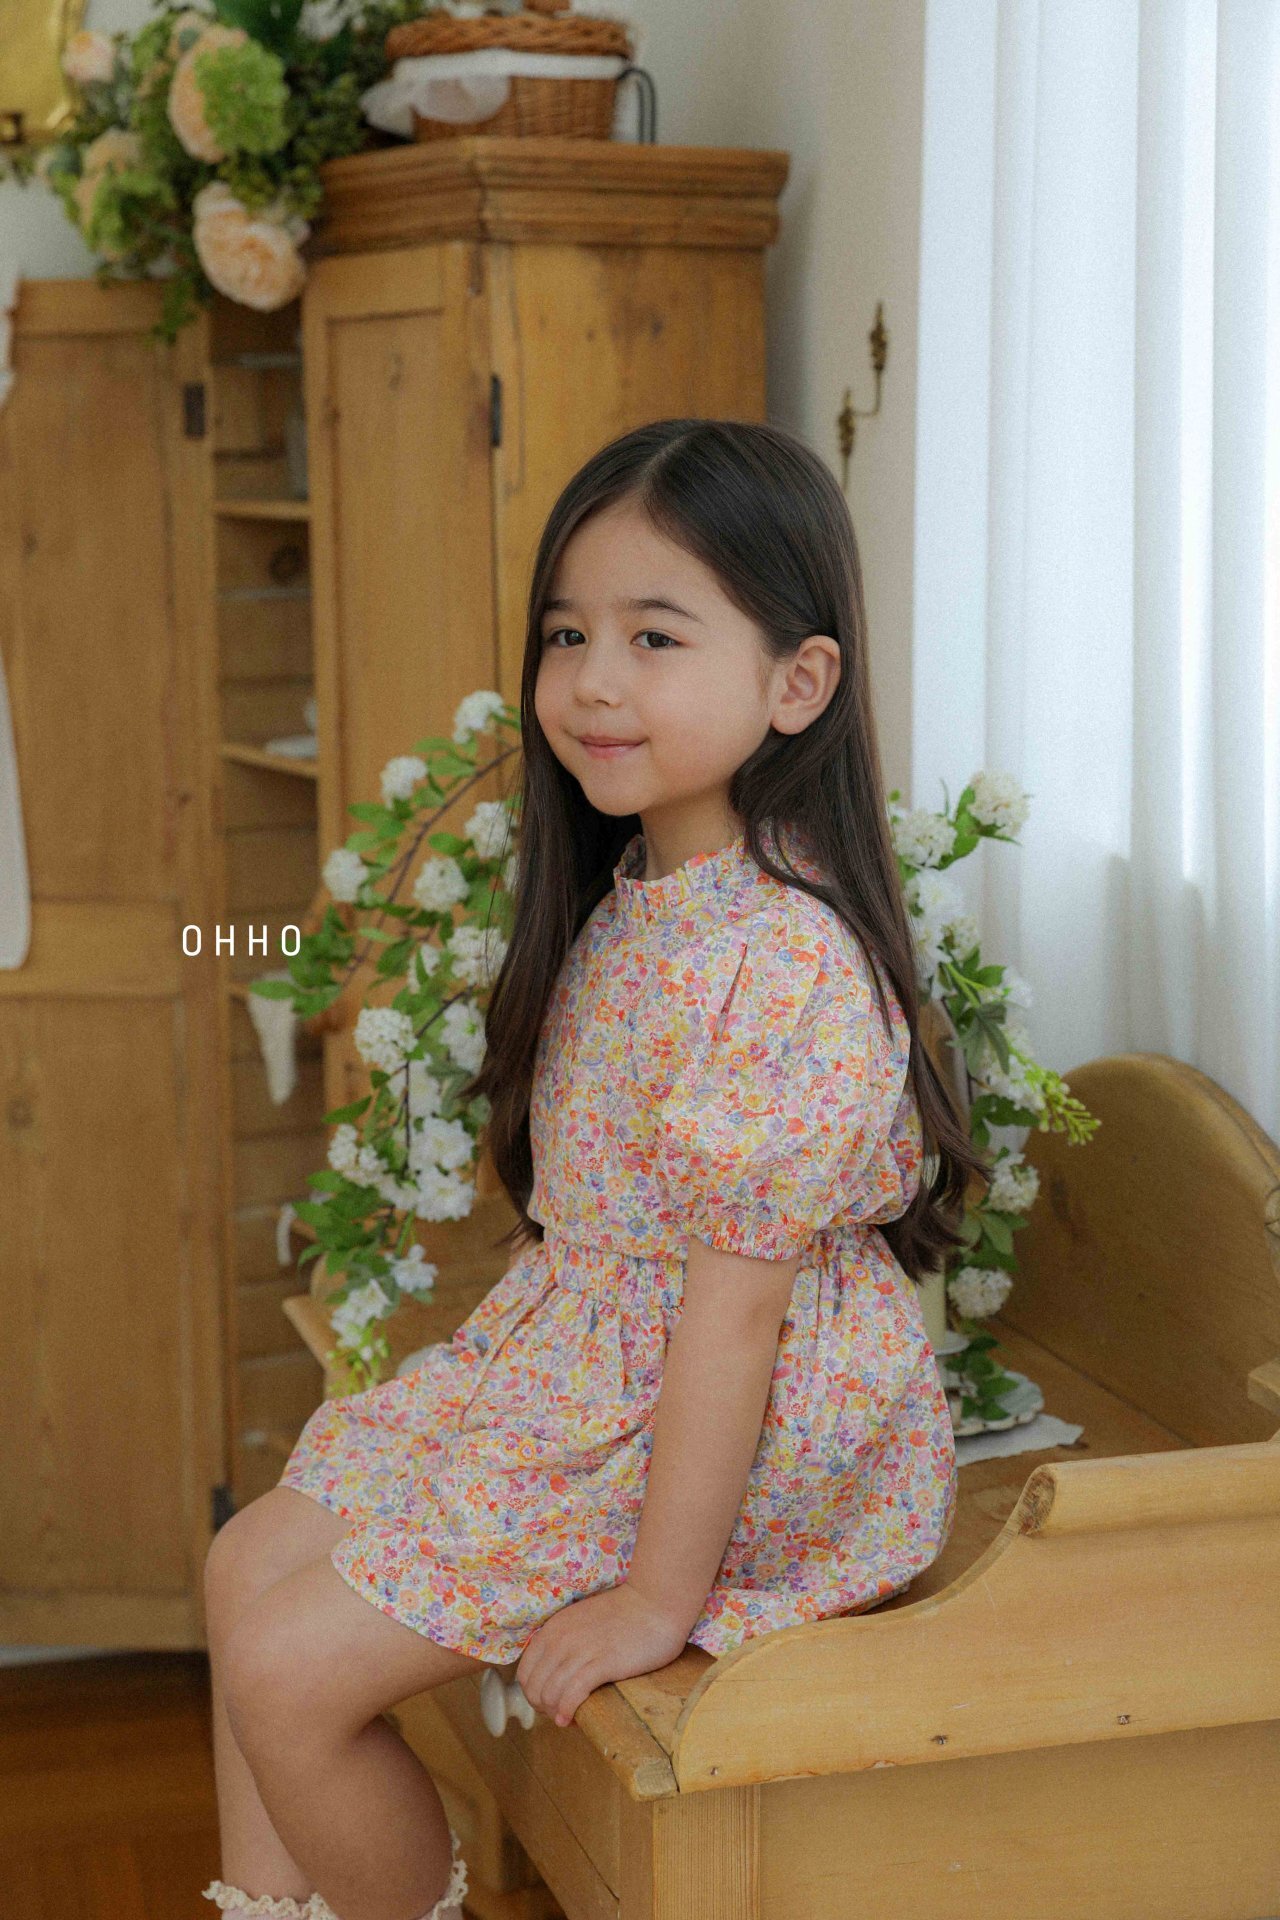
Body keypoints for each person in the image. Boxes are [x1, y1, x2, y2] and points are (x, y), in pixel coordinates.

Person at [201, 418, 988, 1920]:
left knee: (291, 1671)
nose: (594, 680)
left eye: (654, 636)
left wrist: (653, 1601)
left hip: (737, 1429)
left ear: (797, 682)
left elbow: (735, 1321)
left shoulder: (786, 962)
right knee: (248, 1569)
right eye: (568, 635)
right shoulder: (643, 889)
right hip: (588, 1366)